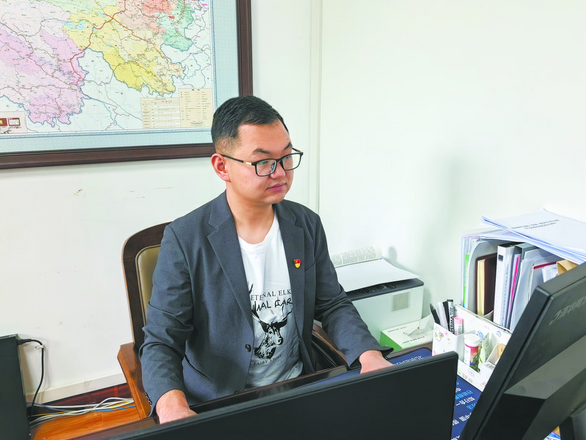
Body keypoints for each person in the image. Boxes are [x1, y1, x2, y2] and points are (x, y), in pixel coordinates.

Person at [140, 95, 392, 424]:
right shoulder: (185, 238)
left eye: (286, 157)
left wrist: (369, 355)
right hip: (218, 402)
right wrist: (171, 405)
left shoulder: (306, 225)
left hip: (297, 386)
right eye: (263, 162)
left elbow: (332, 304)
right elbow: (162, 340)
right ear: (222, 167)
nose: (281, 173)